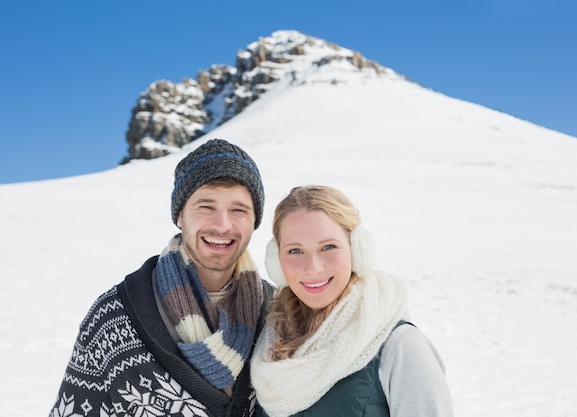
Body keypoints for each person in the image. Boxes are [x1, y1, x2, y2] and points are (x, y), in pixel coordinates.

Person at [50, 139, 274, 417]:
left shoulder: (278, 316)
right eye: (206, 206)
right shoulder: (115, 317)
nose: (222, 225)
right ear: (179, 215)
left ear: (254, 221)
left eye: (239, 210)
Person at [250, 185, 454, 417]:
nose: (313, 267)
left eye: (328, 247)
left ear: (357, 249)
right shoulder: (267, 344)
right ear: (276, 261)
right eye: (295, 251)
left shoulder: (399, 346)